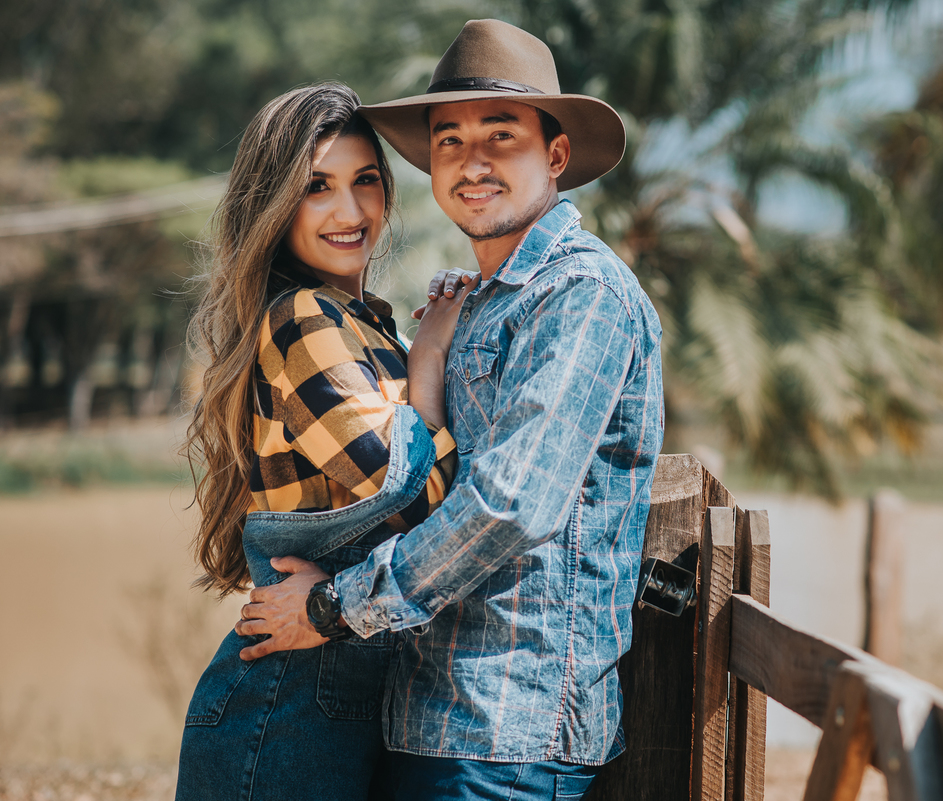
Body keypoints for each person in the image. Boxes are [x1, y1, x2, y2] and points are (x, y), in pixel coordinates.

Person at [240, 19, 665, 800]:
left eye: (501, 136)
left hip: (505, 730)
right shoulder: (474, 307)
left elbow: (508, 504)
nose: (472, 163)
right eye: (449, 141)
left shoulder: (581, 295)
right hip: (426, 718)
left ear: (557, 156)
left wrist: (332, 609)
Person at [175, 82, 467, 800]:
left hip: (329, 696)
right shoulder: (304, 315)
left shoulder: (364, 323)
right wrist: (428, 365)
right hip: (285, 711)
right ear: (274, 205)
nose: (350, 210)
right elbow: (404, 494)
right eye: (317, 188)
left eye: (365, 181)